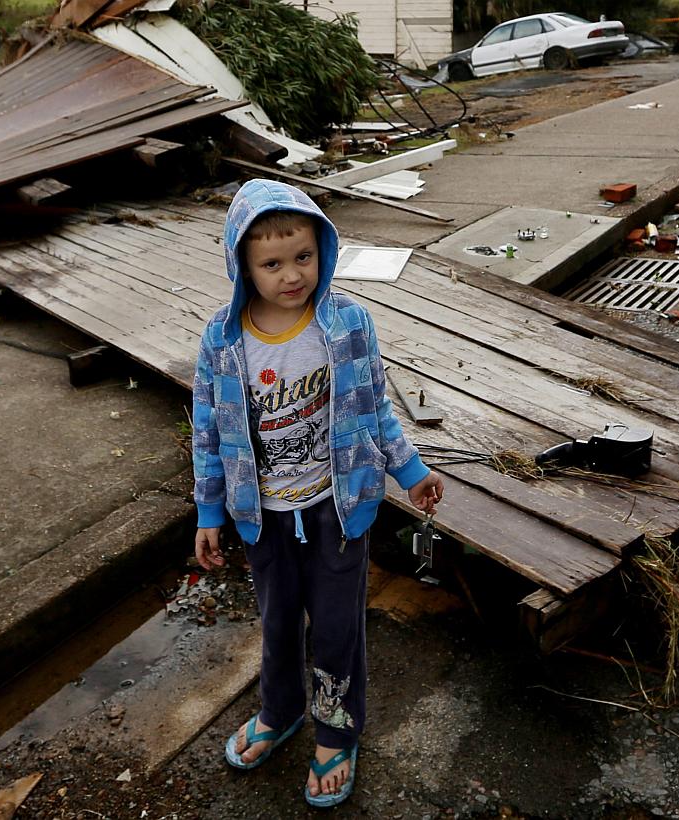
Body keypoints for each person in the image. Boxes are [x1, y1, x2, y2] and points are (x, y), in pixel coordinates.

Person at [190, 179, 443, 808]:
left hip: (338, 508)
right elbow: (208, 433)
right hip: (264, 518)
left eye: (302, 256)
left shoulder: (348, 324)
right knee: (277, 625)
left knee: (335, 630)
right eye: (271, 264)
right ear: (242, 266)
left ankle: (335, 730)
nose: (291, 275)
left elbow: (374, 406)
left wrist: (410, 471)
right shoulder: (222, 342)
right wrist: (209, 512)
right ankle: (281, 711)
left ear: (322, 251)